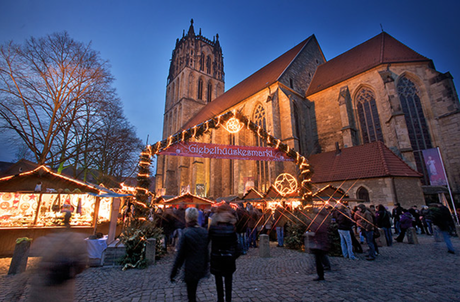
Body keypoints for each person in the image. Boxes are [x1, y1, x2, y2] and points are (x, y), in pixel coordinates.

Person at [29, 231, 87, 302]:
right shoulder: (76, 239)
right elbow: (82, 263)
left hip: (44, 284)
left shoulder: (42, 240)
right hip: (62, 286)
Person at [170, 207, 209, 302]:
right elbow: (206, 251)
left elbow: (180, 255)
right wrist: (206, 266)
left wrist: (174, 271)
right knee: (192, 290)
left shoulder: (186, 233)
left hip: (190, 267)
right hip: (200, 265)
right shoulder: (204, 232)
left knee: (190, 293)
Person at [209, 204, 240, 302]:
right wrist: (233, 255)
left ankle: (220, 299)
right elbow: (236, 245)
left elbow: (208, 242)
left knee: (218, 282)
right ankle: (228, 299)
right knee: (228, 282)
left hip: (216, 258)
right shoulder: (231, 227)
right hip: (229, 258)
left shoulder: (213, 227)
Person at [308, 207, 332, 281]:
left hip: (319, 242)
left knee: (318, 258)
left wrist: (311, 232)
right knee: (321, 256)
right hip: (321, 241)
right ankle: (324, 269)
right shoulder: (324, 219)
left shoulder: (319, 221)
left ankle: (321, 274)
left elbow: (317, 229)